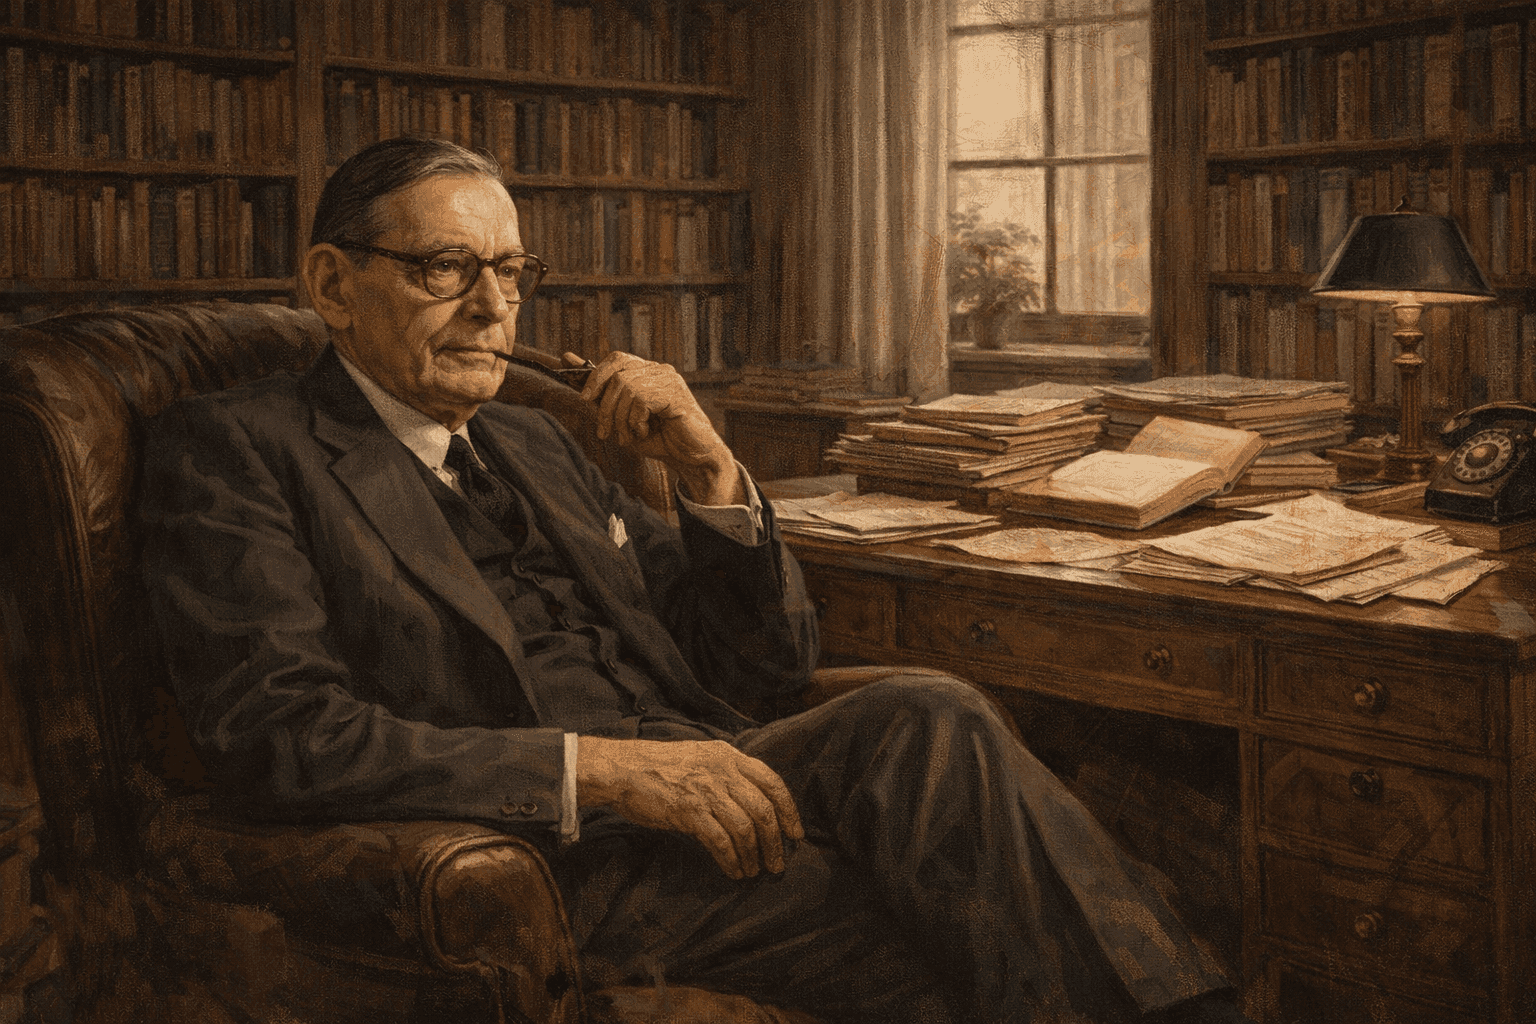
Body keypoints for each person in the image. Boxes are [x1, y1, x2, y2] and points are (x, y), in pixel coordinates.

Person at [139, 137, 1248, 1024]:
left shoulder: (535, 442)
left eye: (510, 272)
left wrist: (712, 470)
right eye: (444, 268)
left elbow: (760, 670)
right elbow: (280, 733)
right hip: (562, 857)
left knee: (928, 718)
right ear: (333, 285)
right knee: (972, 917)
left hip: (718, 780)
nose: (491, 307)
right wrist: (604, 772)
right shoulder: (238, 450)